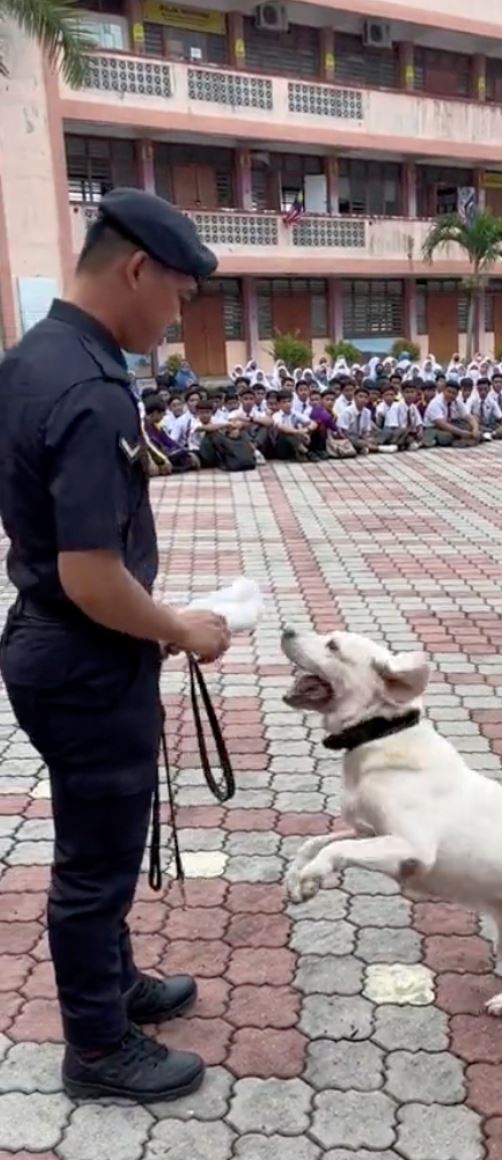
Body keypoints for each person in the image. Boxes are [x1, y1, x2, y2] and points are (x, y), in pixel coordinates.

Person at [0, 188, 233, 1102]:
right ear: (137, 269)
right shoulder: (92, 388)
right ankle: (97, 1047)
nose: (176, 320)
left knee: (100, 838)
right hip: (86, 652)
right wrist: (181, 627)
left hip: (50, 643)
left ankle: (114, 984)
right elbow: (95, 576)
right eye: (177, 297)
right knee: (95, 864)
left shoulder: (31, 359)